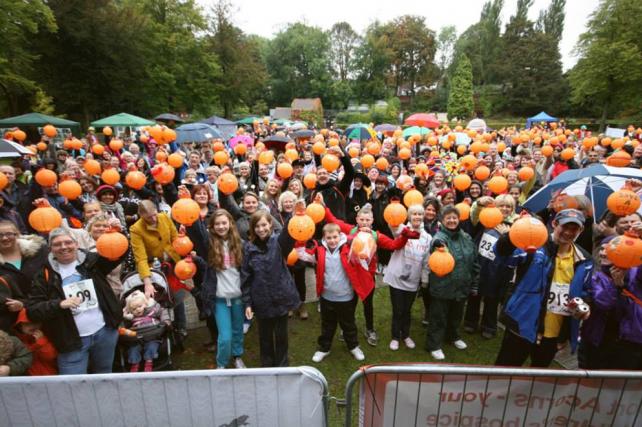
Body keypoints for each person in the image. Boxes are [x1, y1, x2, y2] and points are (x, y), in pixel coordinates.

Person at [494, 209, 593, 367]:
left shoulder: (584, 259)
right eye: (565, 226)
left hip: (553, 332)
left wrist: (583, 304)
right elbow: (503, 256)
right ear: (554, 224)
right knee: (505, 371)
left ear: (581, 231)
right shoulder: (534, 244)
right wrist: (512, 235)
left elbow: (586, 290)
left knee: (538, 379)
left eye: (574, 229)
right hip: (522, 323)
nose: (568, 232)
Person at [26, 227, 125, 374]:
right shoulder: (44, 274)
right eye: (57, 244)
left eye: (68, 242)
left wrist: (117, 233)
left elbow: (120, 253)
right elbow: (33, 310)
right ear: (50, 249)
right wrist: (59, 304)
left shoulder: (92, 261)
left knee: (104, 374)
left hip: (104, 332)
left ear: (76, 244)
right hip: (70, 341)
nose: (64, 247)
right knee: (72, 385)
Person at [324, 203, 419, 346]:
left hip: (368, 276)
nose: (364, 222)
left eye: (367, 220)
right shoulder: (350, 231)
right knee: (350, 303)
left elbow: (393, 245)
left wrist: (404, 236)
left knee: (368, 304)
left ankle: (370, 329)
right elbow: (334, 221)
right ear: (357, 219)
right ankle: (347, 328)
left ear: (372, 221)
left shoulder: (376, 235)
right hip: (351, 275)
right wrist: (324, 207)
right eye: (362, 219)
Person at [241, 209, 300, 367]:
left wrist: (295, 216)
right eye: (257, 226)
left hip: (281, 297)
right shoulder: (248, 248)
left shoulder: (279, 243)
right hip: (261, 300)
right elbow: (246, 277)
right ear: (253, 228)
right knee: (265, 336)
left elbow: (288, 235)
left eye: (264, 225)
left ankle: (282, 365)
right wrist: (247, 303)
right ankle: (267, 365)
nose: (261, 229)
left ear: (270, 225)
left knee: (281, 335)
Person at [191, 209, 247, 369]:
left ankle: (237, 356)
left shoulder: (240, 244)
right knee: (225, 337)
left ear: (230, 223)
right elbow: (197, 231)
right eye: (217, 224)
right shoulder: (209, 244)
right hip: (219, 299)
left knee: (237, 331)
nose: (221, 227)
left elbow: (248, 270)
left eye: (224, 223)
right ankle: (221, 363)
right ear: (212, 227)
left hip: (237, 297)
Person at [425, 205, 479, 360]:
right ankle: (434, 345)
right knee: (439, 316)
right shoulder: (439, 238)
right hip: (443, 286)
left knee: (456, 315)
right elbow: (436, 246)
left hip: (462, 285)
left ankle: (453, 336)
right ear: (442, 220)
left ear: (458, 219)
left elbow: (474, 261)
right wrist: (438, 247)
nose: (452, 220)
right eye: (448, 217)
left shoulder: (466, 237)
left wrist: (474, 282)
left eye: (454, 217)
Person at [306, 223, 365, 362]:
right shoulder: (319, 250)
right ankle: (324, 348)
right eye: (329, 238)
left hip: (345, 296)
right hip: (327, 296)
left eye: (335, 237)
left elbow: (362, 255)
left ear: (340, 236)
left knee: (348, 323)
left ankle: (353, 346)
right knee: (327, 324)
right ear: (324, 238)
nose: (332, 240)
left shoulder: (349, 248)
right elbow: (305, 255)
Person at [464, 195, 517, 339]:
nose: (505, 209)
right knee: (474, 295)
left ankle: (489, 326)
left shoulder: (515, 226)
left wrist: (507, 235)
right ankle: (470, 321)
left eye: (508, 206)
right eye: (502, 205)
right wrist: (479, 203)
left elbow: (516, 249)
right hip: (480, 264)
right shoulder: (486, 220)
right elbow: (473, 215)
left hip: (498, 269)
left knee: (492, 299)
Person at [384, 204, 431, 350]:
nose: (417, 216)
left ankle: (405, 335)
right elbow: (392, 224)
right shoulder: (401, 230)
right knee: (398, 309)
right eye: (414, 214)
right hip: (397, 277)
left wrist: (424, 279)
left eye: (420, 214)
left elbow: (426, 261)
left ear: (423, 216)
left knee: (407, 310)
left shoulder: (427, 237)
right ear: (409, 216)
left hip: (413, 279)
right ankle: (395, 337)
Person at [0, 221, 47, 332]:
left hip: (47, 307)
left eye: (9, 234)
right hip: (16, 321)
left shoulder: (39, 251)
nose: (5, 238)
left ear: (18, 234)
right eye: (0, 235)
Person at [122, 290, 170, 372]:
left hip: (153, 335)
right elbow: (124, 326)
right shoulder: (131, 318)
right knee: (133, 349)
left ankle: (149, 361)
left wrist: (165, 321)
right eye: (134, 309)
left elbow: (162, 311)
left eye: (139, 306)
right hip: (137, 338)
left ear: (145, 304)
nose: (137, 310)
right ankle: (135, 363)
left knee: (152, 346)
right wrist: (125, 316)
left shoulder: (152, 311)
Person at [14, 308, 58, 375]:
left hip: (48, 376)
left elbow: (50, 357)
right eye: (27, 324)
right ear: (20, 326)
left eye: (35, 323)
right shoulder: (17, 341)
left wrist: (42, 342)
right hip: (27, 379)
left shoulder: (47, 337)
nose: (32, 326)